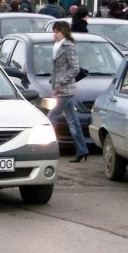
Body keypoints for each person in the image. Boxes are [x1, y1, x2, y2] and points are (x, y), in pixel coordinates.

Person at [47, 21, 89, 163]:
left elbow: (75, 68)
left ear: (64, 32)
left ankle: (47, 148)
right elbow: (56, 68)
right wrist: (53, 80)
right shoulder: (56, 46)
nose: (55, 34)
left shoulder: (68, 46)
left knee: (51, 117)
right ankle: (82, 150)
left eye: (57, 32)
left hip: (66, 89)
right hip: (60, 87)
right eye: (54, 31)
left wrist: (60, 82)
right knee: (73, 120)